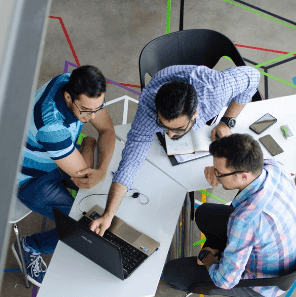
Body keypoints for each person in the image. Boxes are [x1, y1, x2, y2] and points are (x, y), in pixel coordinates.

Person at [88, 65, 260, 236]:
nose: (169, 135)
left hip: (203, 84)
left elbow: (253, 76)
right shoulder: (149, 107)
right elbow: (131, 161)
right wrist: (109, 214)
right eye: (163, 126)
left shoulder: (215, 90)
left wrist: (227, 120)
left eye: (177, 129)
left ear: (195, 114)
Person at [162, 134, 296, 297]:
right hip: (283, 249)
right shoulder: (273, 167)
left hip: (264, 281)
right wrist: (216, 170)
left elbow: (225, 280)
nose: (215, 176)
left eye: (219, 173)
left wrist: (208, 258)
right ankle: (226, 254)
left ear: (243, 175)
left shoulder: (244, 220)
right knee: (204, 213)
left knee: (172, 273)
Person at [12, 65, 115, 286]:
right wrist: (88, 145)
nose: (93, 116)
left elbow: (107, 130)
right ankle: (30, 246)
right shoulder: (51, 127)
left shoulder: (73, 82)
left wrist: (102, 169)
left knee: (100, 193)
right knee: (80, 225)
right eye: (86, 111)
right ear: (68, 97)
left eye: (98, 108)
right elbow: (84, 179)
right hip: (30, 179)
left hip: (55, 158)